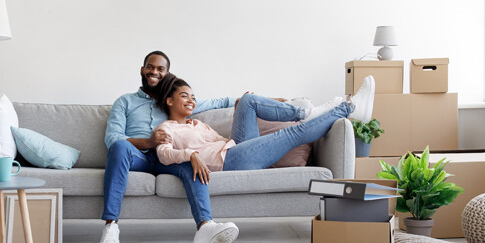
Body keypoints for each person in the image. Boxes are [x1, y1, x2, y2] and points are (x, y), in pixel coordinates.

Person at [100, 51, 241, 243]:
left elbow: (216, 102)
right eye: (150, 67)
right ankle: (110, 227)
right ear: (142, 70)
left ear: (167, 73)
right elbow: (113, 138)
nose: (154, 72)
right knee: (120, 146)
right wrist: (149, 142)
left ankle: (205, 227)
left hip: (167, 156)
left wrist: (247, 100)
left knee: (192, 161)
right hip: (136, 156)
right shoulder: (125, 101)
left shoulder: (172, 100)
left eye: (160, 69)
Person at [154, 75, 375, 180]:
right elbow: (163, 155)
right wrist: (190, 155)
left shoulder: (198, 123)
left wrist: (241, 116)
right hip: (228, 162)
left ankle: (306, 113)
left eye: (193, 97)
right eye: (184, 96)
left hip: (234, 149)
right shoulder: (166, 128)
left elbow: (223, 139)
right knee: (292, 133)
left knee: (248, 100)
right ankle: (350, 108)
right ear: (169, 101)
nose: (191, 101)